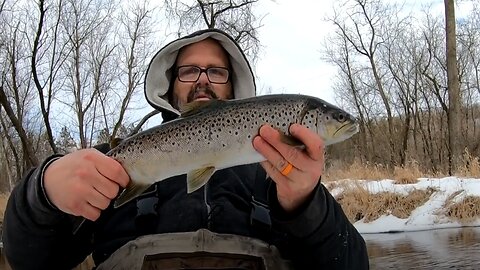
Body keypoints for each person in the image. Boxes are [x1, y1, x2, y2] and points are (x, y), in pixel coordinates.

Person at [3, 29, 369, 269]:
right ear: (172, 84)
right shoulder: (107, 164)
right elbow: (25, 258)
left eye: (216, 71)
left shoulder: (280, 178)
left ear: (233, 83)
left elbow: (352, 263)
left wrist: (306, 204)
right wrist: (44, 190)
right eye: (190, 70)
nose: (204, 79)